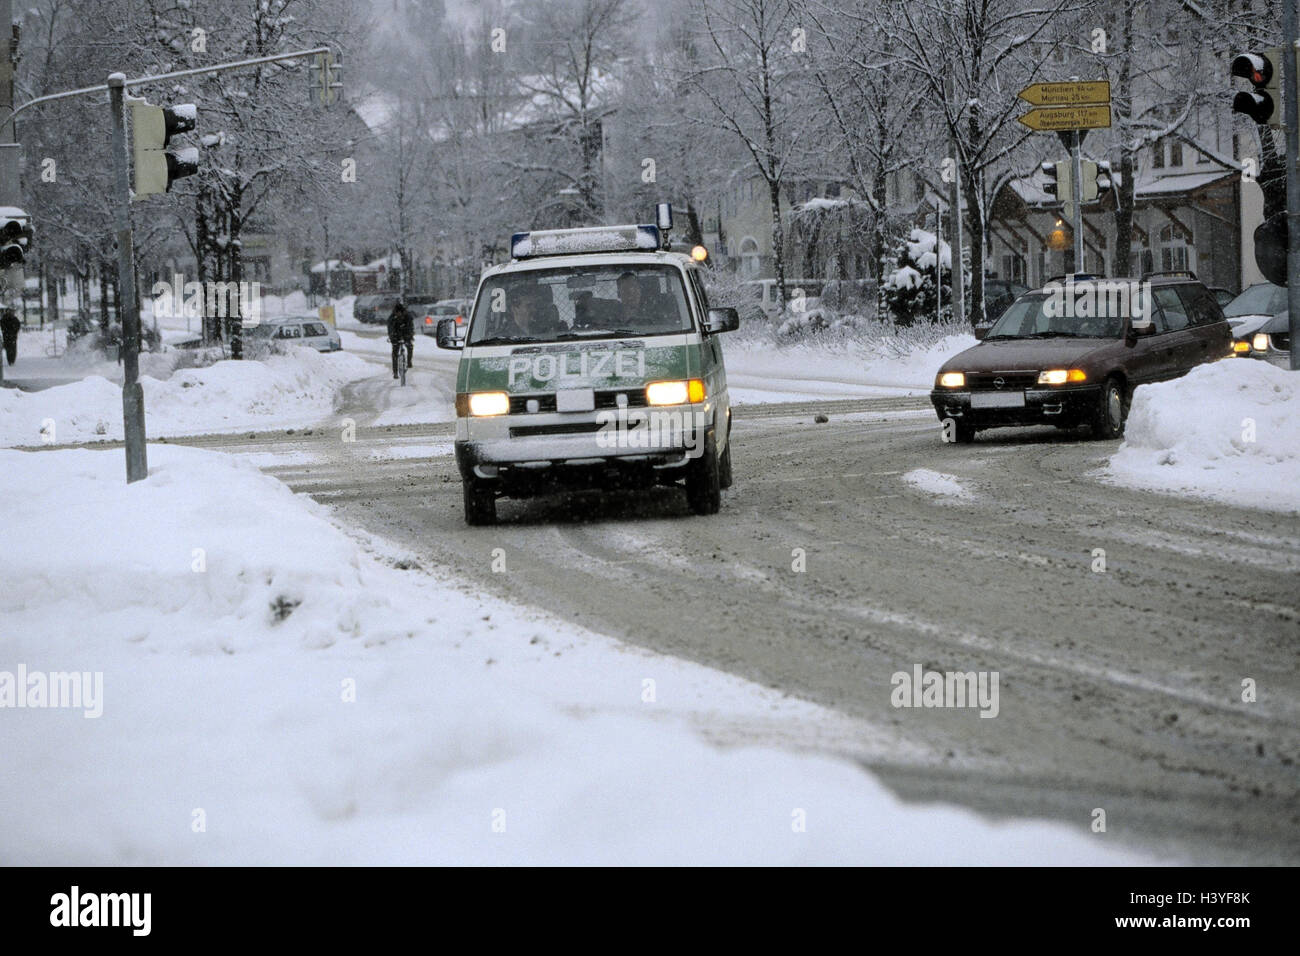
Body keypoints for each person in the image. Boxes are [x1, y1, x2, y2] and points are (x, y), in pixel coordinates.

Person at [386, 296, 414, 378]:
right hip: (395, 335)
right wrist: (392, 336)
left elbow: (410, 327)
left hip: (406, 333)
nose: (398, 314)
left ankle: (409, 361)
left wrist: (410, 335)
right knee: (395, 352)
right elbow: (390, 328)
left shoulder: (408, 317)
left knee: (410, 346)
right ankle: (395, 372)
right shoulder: (392, 318)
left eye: (400, 313)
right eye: (397, 313)